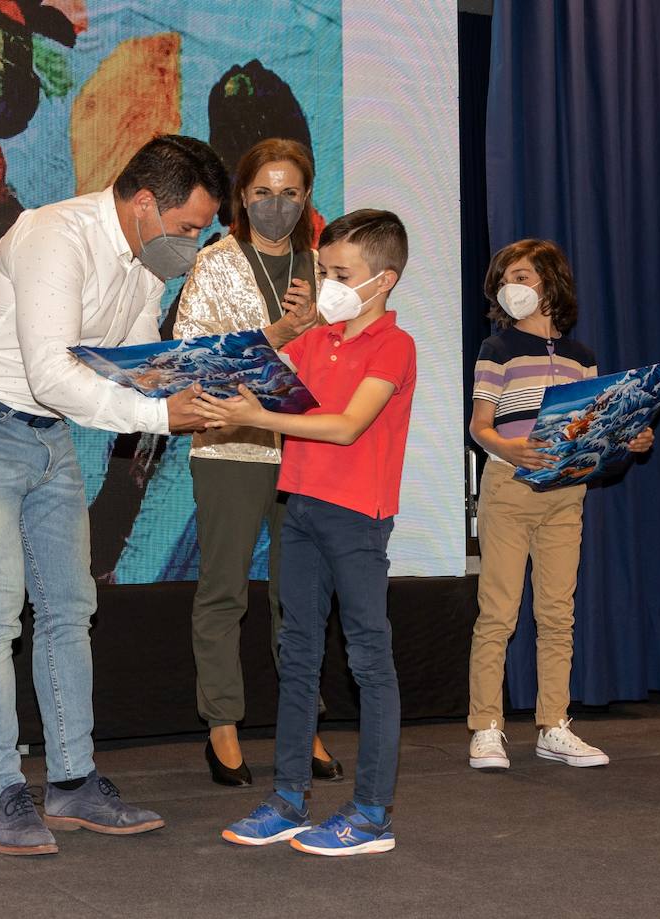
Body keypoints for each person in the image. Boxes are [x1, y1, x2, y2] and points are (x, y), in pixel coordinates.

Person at [0, 134, 227, 856]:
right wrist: (161, 414)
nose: (193, 244)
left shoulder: (148, 261)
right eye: (188, 228)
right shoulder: (54, 233)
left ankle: (72, 782)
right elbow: (54, 372)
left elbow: (123, 360)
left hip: (46, 431)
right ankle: (4, 793)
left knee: (70, 607)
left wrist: (204, 379)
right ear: (145, 203)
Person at [197, 209, 416, 857]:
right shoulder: (315, 341)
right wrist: (281, 334)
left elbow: (348, 424)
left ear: (384, 279)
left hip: (357, 518)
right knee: (296, 654)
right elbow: (243, 366)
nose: (326, 284)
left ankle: (372, 811)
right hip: (302, 511)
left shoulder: (393, 346)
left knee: (369, 659)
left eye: (340, 273)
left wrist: (262, 412)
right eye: (322, 271)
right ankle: (288, 796)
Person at [172, 137, 342, 787]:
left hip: (304, 446)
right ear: (242, 196)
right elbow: (199, 358)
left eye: (290, 193)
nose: (277, 205)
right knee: (225, 588)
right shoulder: (215, 263)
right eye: (263, 192)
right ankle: (222, 724)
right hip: (232, 441)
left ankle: (303, 723)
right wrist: (282, 335)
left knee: (299, 595)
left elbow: (343, 363)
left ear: (307, 198)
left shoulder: (322, 269)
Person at [466, 239, 654, 770]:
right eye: (505, 277)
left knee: (556, 614)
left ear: (550, 282)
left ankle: (553, 723)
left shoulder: (582, 357)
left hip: (565, 495)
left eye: (522, 275)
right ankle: (486, 726)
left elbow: (594, 434)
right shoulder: (496, 349)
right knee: (498, 612)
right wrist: (507, 446)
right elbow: (480, 425)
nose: (512, 286)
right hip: (509, 489)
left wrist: (629, 440)